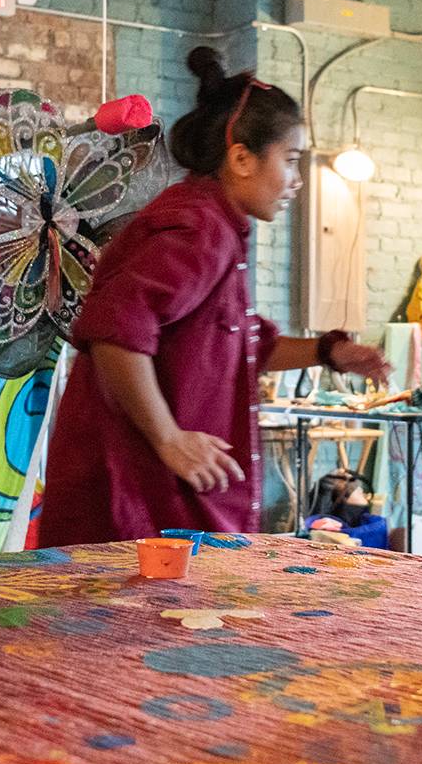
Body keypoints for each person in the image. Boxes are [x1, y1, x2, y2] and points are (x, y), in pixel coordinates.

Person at [38, 47, 391, 544]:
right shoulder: (197, 227)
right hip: (136, 502)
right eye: (290, 161)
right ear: (242, 158)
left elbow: (249, 346)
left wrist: (329, 352)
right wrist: (168, 438)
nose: (296, 180)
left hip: (165, 502)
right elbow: (116, 334)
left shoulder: (219, 227)